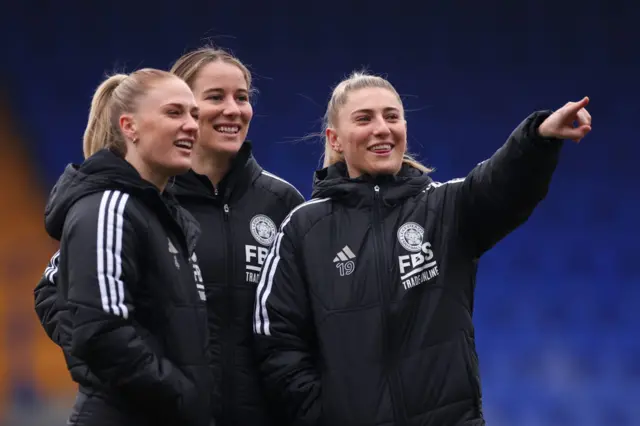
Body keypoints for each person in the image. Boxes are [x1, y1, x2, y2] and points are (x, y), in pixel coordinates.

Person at [252, 71, 592, 426]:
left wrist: (538, 138)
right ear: (335, 139)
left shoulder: (445, 208)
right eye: (364, 119)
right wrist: (325, 414)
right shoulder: (303, 229)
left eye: (392, 116)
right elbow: (276, 341)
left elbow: (500, 184)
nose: (382, 128)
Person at [35, 68, 213, 426]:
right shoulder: (109, 207)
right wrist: (180, 394)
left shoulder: (161, 213)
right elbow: (99, 329)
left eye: (194, 114)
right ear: (129, 127)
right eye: (174, 112)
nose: (192, 125)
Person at [168, 46, 305, 426]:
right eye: (215, 97)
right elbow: (59, 296)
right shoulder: (148, 198)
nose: (233, 109)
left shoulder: (283, 203)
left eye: (241, 98)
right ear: (182, 108)